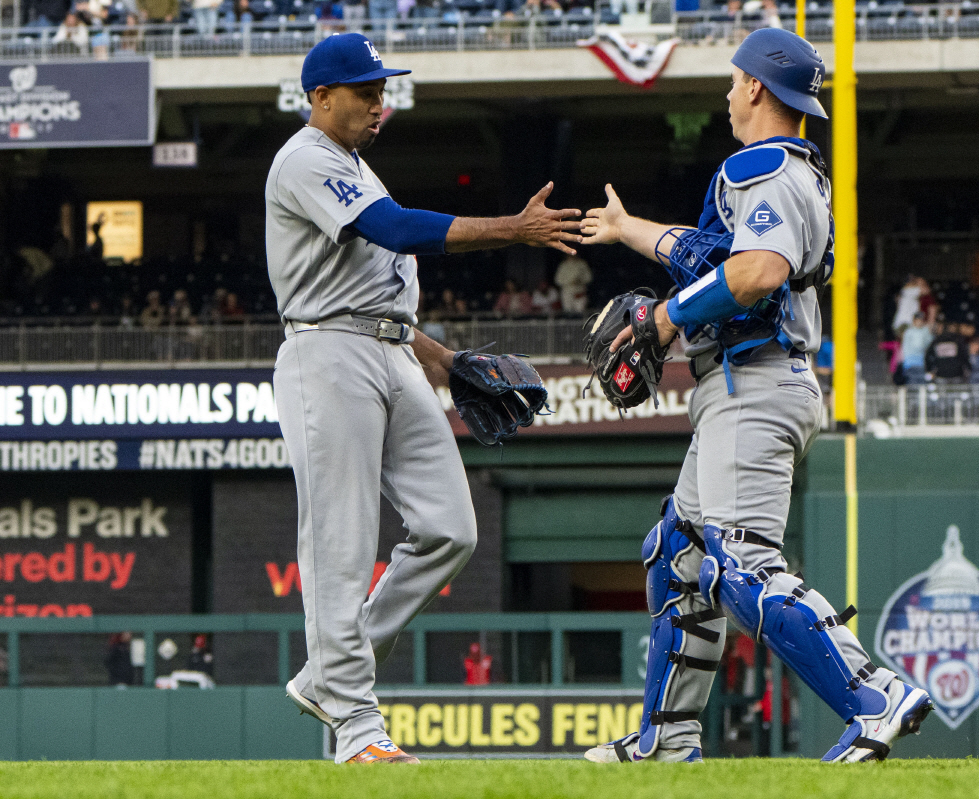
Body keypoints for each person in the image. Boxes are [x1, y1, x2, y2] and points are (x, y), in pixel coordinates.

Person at [578, 28, 931, 764]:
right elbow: (712, 255)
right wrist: (626, 228)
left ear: (757, 89)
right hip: (751, 383)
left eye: (734, 80)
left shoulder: (763, 166)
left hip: (757, 382)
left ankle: (875, 696)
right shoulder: (791, 171)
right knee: (679, 550)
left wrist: (668, 318)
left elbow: (757, 270)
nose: (728, 92)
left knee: (741, 563)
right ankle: (665, 739)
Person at [267, 33, 581, 766]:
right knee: (340, 543)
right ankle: (356, 731)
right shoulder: (304, 159)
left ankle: (330, 671)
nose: (381, 101)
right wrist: (515, 227)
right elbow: (396, 229)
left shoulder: (354, 166)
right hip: (328, 352)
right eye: (366, 91)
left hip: (393, 346)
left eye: (383, 88)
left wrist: (443, 357)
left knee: (450, 528)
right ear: (321, 97)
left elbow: (377, 284)